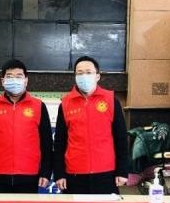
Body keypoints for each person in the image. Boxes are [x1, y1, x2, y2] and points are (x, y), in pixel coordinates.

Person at [53, 55, 128, 194]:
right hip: (74, 174)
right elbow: (59, 142)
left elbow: (121, 139)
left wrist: (122, 170)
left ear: (97, 76)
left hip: (106, 173)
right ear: (75, 76)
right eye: (80, 73)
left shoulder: (111, 100)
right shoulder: (65, 103)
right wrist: (59, 173)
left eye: (89, 72)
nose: (84, 76)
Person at [0, 59, 53, 193]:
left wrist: (46, 172)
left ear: (26, 80)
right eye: (9, 76)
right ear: (3, 81)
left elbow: (46, 143)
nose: (14, 80)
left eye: (19, 76)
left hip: (29, 175)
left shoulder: (38, 106)